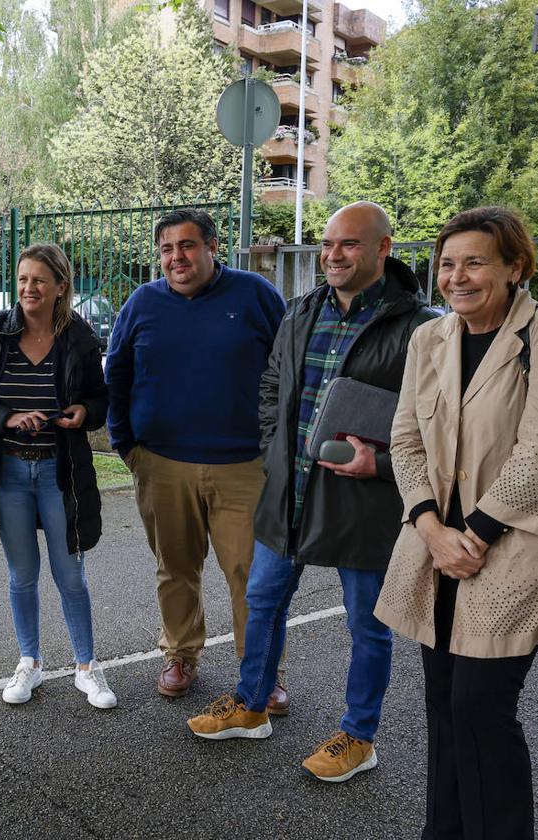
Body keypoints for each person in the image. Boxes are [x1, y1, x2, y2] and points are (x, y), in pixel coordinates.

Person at [187, 202, 437, 783]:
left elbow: (434, 420)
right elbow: (273, 385)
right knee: (265, 600)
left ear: (383, 248)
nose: (333, 255)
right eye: (327, 245)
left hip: (364, 499)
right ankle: (252, 706)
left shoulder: (422, 327)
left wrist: (385, 465)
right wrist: (275, 443)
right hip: (290, 491)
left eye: (349, 244)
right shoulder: (301, 311)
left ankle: (359, 735)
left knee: (366, 624)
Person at [374, 207, 538, 837]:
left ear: (516, 267)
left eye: (475, 262)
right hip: (436, 548)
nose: (457, 276)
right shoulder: (427, 339)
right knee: (443, 708)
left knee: (480, 709)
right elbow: (405, 440)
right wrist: (432, 528)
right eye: (447, 263)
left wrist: (476, 533)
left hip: (511, 547)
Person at [104, 209, 287, 704]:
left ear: (211, 247)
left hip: (245, 466)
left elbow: (287, 371)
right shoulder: (142, 303)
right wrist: (126, 443)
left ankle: (262, 673)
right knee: (175, 567)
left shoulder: (255, 295)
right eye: (166, 249)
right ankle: (180, 654)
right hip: (161, 463)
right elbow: (116, 374)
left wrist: (279, 447)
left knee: (251, 575)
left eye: (186, 246)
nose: (176, 257)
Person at [0, 243, 117, 709]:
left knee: (70, 574)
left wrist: (83, 411)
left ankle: (87, 667)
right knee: (22, 575)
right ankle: (30, 663)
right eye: (23, 279)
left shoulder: (80, 338)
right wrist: (7, 418)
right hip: (7, 473)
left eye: (40, 280)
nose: (29, 288)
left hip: (58, 471)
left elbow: (100, 402)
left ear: (60, 287)